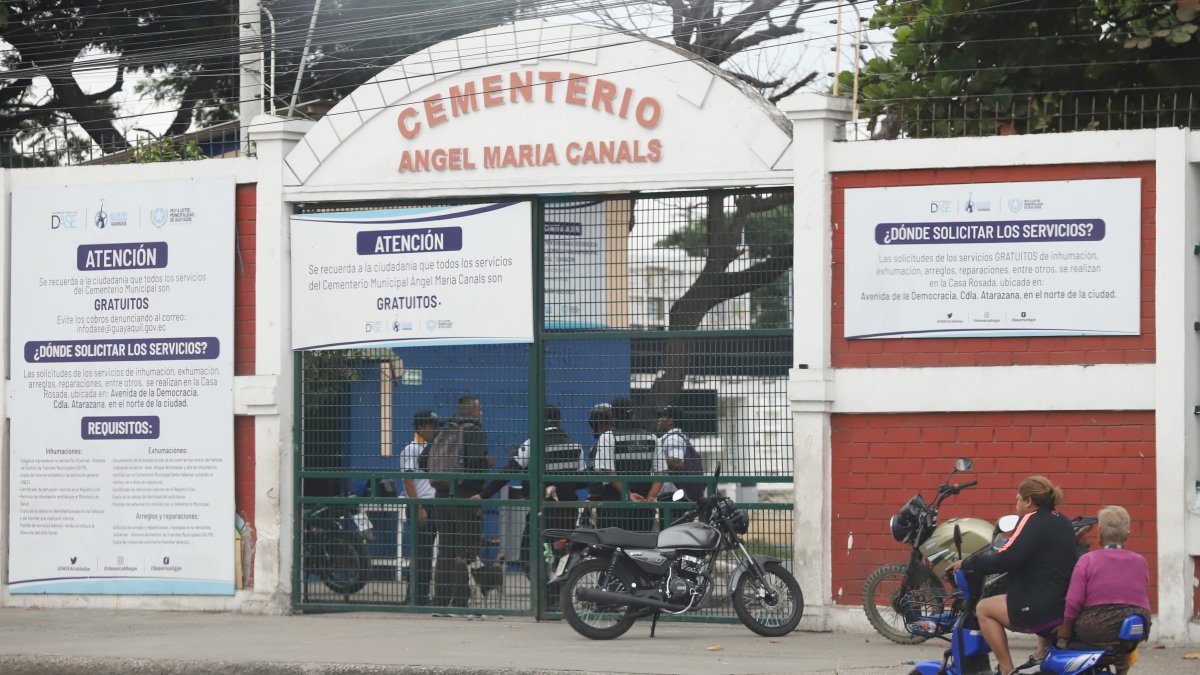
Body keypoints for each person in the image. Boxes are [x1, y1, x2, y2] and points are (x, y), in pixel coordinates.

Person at [947, 476, 1078, 675]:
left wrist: (967, 563)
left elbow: (1007, 556)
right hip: (1061, 604)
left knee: (984, 608)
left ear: (1028, 501)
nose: (1016, 503)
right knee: (1036, 590)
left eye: (1018, 499)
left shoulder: (1030, 520)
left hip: (1039, 609)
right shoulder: (1063, 521)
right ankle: (1041, 653)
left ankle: (1007, 669)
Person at [1056, 505, 1151, 672]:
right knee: (1125, 627)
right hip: (1135, 628)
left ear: (1099, 531)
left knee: (1061, 637)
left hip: (1097, 627)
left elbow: (1073, 602)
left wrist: (1064, 632)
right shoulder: (1140, 561)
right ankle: (1122, 665)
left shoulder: (1087, 560)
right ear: (1128, 532)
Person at [431, 395, 489, 608]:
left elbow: (423, 460)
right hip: (465, 496)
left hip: (441, 496)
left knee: (445, 549)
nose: (481, 413)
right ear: (471, 410)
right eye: (479, 408)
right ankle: (460, 598)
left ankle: (441, 599)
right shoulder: (474, 431)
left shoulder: (443, 430)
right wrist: (486, 462)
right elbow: (475, 461)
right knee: (466, 549)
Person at [399, 410, 439, 605]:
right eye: (432, 426)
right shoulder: (412, 449)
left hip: (435, 505)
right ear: (421, 427)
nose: (435, 430)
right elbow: (408, 481)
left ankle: (424, 595)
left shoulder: (434, 448)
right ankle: (416, 597)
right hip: (420, 505)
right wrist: (418, 506)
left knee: (430, 554)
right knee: (421, 554)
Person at [610, 397, 657, 531]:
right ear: (633, 413)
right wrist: (650, 498)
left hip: (616, 509)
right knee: (643, 547)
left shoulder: (608, 438)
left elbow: (608, 471)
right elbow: (662, 472)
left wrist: (628, 496)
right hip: (644, 508)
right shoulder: (651, 438)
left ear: (613, 415)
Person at [645, 405, 704, 503]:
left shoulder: (673, 438)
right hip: (676, 494)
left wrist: (655, 460)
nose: (659, 419)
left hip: (673, 495)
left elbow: (678, 462)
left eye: (662, 416)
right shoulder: (678, 437)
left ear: (670, 421)